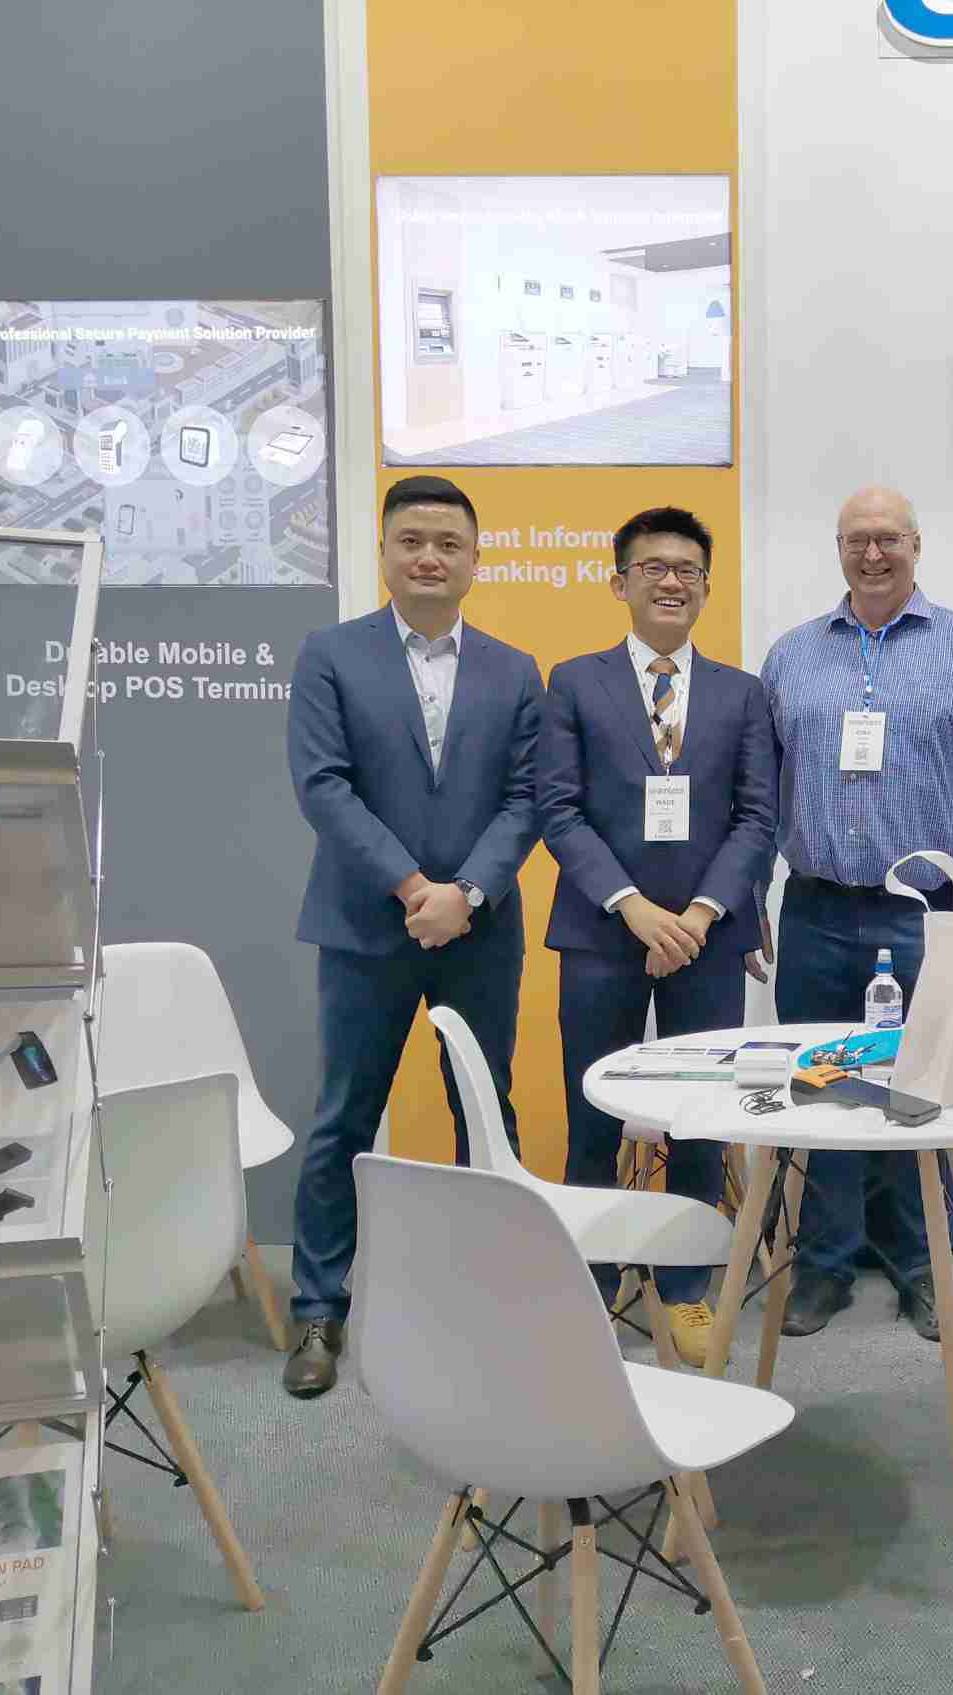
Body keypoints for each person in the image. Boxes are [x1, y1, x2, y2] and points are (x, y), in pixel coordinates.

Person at [276, 473, 549, 1399]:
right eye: (412, 541)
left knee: (485, 1110)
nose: (430, 557)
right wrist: (412, 887)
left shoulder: (515, 669)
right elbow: (323, 786)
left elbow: (526, 798)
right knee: (344, 1119)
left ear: (475, 559)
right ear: (385, 551)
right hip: (365, 925)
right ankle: (318, 1307)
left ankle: (490, 1297)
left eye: (449, 543)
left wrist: (464, 894)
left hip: (479, 928)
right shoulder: (330, 654)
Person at [760, 486, 953, 1345]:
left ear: (917, 543)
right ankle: (824, 1264)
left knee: (921, 1095)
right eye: (857, 540)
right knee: (824, 1086)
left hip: (927, 914)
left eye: (888, 538)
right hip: (815, 909)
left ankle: (924, 1266)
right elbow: (762, 791)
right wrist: (750, 897)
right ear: (837, 547)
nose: (872, 554)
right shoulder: (791, 656)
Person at [524, 505, 780, 1370]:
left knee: (699, 1116)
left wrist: (701, 914)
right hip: (603, 931)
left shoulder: (743, 693)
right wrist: (632, 906)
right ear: (620, 582)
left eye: (687, 570)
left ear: (706, 586)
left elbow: (757, 818)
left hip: (708, 938)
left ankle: (685, 1284)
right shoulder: (575, 681)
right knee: (593, 1111)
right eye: (653, 568)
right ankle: (594, 1277)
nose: (672, 581)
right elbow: (558, 808)